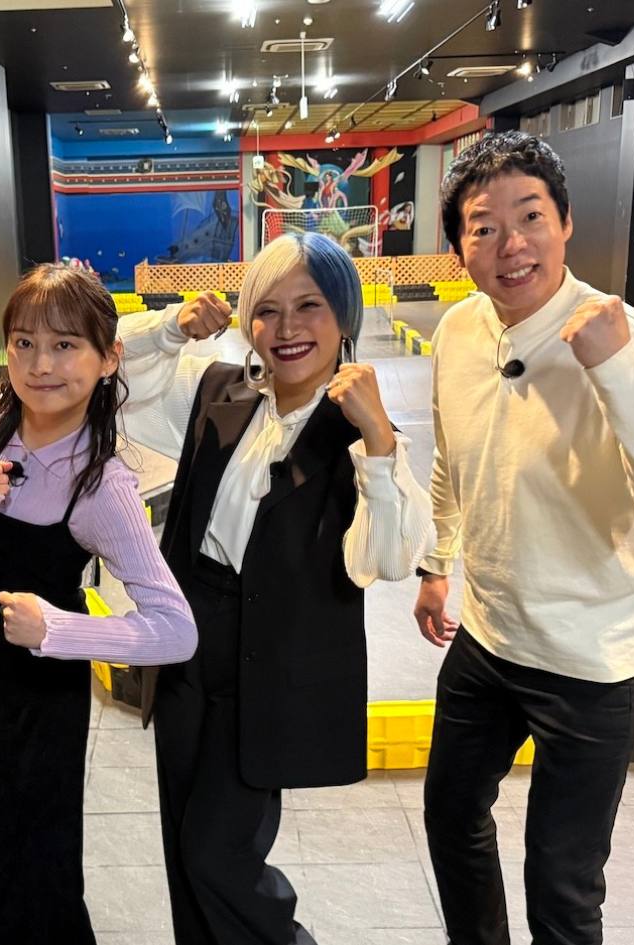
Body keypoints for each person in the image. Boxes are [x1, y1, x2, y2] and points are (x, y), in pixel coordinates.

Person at [414, 131, 634, 945]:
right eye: (484, 227)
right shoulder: (458, 331)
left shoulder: (626, 339)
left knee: (561, 879)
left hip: (599, 652)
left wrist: (613, 367)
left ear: (566, 223)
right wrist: (435, 563)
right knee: (450, 814)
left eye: (531, 217)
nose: (511, 245)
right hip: (491, 633)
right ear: (460, 248)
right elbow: (450, 456)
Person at [118, 232, 435, 945]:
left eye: (309, 306)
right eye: (267, 309)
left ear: (344, 316)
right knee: (182, 850)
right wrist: (169, 330)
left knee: (217, 854)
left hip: (270, 664)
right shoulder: (218, 392)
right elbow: (110, 375)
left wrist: (377, 439)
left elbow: (385, 560)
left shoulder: (360, 437)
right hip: (187, 641)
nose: (287, 328)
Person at [0, 264, 197, 945]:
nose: (40, 365)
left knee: (38, 867)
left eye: (65, 345)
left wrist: (59, 630)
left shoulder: (101, 483)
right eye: (24, 343)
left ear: (109, 358)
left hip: (37, 705)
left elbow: (176, 629)